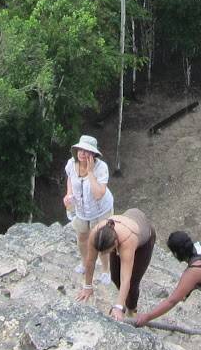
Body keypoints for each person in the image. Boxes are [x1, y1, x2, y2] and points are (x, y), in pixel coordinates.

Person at [87, 208, 156, 320]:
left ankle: (131, 309)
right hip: (126, 223)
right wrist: (87, 286)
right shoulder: (97, 232)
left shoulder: (128, 240)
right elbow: (90, 261)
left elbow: (126, 278)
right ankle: (123, 299)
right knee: (115, 277)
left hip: (143, 238)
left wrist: (118, 307)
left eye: (108, 251)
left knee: (133, 281)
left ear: (115, 243)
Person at [63, 134, 113, 284]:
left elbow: (98, 194)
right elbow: (70, 178)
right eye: (80, 150)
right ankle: (84, 263)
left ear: (93, 154)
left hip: (100, 210)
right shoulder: (71, 164)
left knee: (101, 240)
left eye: (87, 151)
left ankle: (105, 270)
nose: (82, 154)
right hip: (81, 210)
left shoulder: (101, 168)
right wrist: (69, 194)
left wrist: (90, 172)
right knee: (82, 237)